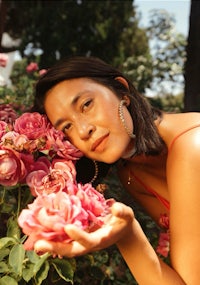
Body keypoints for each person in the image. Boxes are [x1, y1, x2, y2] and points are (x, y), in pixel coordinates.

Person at [32, 56, 200, 285]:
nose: (83, 131)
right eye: (67, 127)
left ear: (122, 91)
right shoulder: (131, 175)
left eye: (86, 105)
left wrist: (129, 237)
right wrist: (126, 234)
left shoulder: (192, 144)